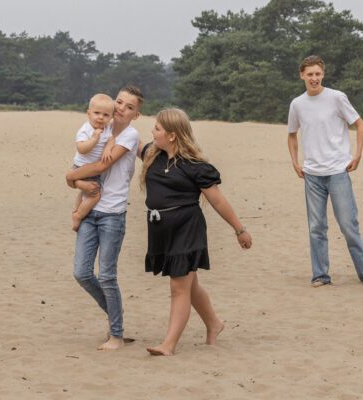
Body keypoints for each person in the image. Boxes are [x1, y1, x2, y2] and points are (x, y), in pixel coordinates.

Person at [140, 108, 252, 356]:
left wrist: (239, 229)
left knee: (179, 287)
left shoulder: (196, 166)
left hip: (186, 229)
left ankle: (168, 344)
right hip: (161, 231)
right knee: (189, 285)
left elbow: (218, 201)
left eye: (157, 128)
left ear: (171, 135)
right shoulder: (152, 154)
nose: (152, 131)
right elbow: (129, 142)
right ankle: (214, 323)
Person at [287, 55, 363, 288]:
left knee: (348, 224)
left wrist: (357, 154)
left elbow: (360, 124)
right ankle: (320, 275)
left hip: (338, 170)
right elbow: (291, 135)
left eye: (318, 74)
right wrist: (295, 162)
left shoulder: (337, 98)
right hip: (312, 174)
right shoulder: (297, 104)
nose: (314, 78)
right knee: (316, 226)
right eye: (310, 74)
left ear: (323, 74)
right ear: (302, 75)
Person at [65, 86, 143, 349]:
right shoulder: (101, 127)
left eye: (129, 106)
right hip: (91, 209)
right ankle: (115, 315)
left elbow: (100, 166)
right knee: (82, 273)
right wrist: (78, 183)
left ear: (136, 114)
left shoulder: (130, 135)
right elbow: (84, 156)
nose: (121, 108)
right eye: (119, 102)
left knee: (107, 275)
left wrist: (70, 177)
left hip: (112, 213)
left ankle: (116, 335)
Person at [70, 93, 116, 231]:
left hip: (91, 170)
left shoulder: (107, 128)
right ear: (88, 114)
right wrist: (94, 139)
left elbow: (111, 139)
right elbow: (81, 148)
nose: (101, 117)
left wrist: (108, 149)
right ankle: (78, 215)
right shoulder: (85, 130)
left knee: (84, 193)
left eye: (106, 115)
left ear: (111, 117)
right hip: (81, 168)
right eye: (97, 113)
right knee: (95, 195)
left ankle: (76, 210)